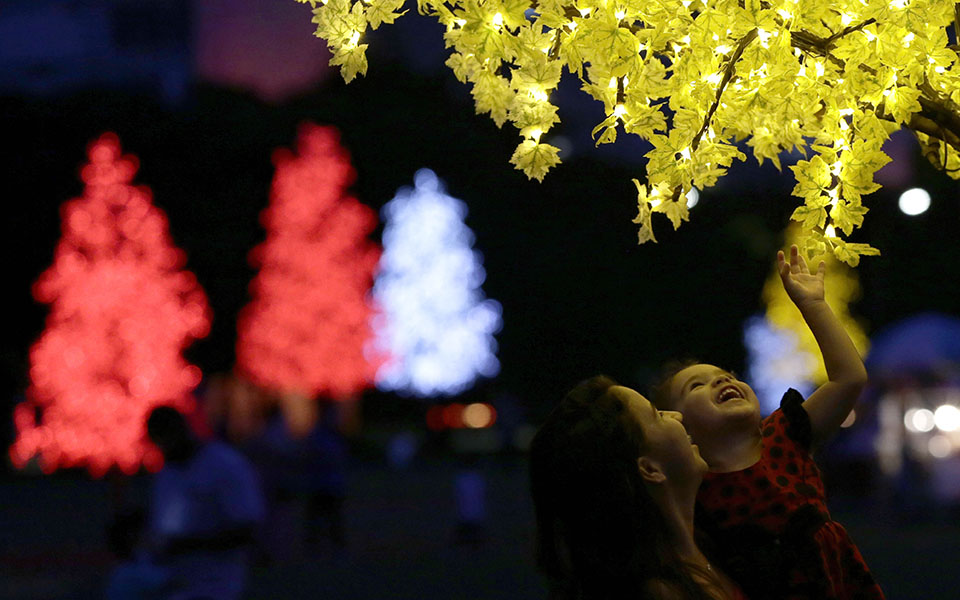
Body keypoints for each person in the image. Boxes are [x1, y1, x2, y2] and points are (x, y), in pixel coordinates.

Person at [654, 245, 884, 599]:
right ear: (679, 427)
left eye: (725, 375)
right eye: (696, 385)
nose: (721, 381)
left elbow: (848, 378)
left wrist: (814, 306)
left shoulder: (784, 434)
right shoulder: (693, 489)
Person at [530, 375, 748, 600]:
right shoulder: (659, 592)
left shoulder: (714, 541)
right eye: (658, 415)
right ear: (650, 469)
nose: (677, 415)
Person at [144, 405, 266, 600]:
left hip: (216, 586)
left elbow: (247, 528)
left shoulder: (224, 465)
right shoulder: (169, 470)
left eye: (165, 441)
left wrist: (190, 545)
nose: (162, 448)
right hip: (174, 584)